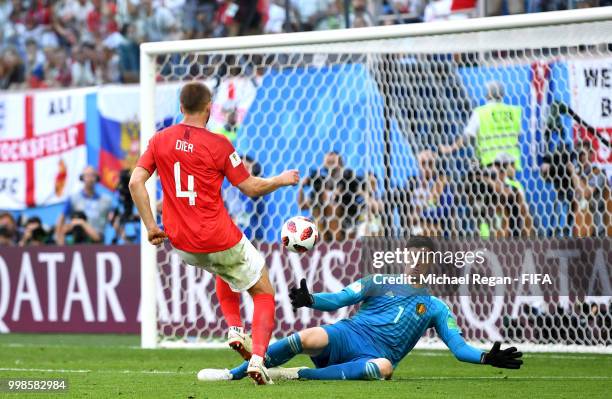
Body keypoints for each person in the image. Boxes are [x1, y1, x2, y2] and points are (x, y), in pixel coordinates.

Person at [129, 81, 299, 385]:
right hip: (217, 235)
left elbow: (135, 183)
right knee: (263, 292)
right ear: (210, 108)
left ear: (181, 108)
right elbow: (251, 188)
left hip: (182, 243)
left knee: (223, 267)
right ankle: (258, 360)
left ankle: (234, 328)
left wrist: (151, 226)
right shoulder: (219, 145)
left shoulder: (158, 140)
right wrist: (281, 179)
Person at [198, 236, 523, 383]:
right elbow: (339, 299)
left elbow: (459, 347)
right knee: (307, 337)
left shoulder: (437, 307)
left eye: (422, 257)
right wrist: (311, 300)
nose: (415, 262)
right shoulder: (379, 280)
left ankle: (295, 374)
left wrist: (484, 357)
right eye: (411, 256)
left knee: (385, 368)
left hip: (372, 356)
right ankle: (234, 373)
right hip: (347, 335)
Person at [440, 81, 523, 172]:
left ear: (488, 94)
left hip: (490, 163)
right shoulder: (514, 112)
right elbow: (518, 136)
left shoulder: (481, 112)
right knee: (510, 185)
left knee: (472, 172)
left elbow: (466, 138)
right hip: (511, 163)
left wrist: (450, 148)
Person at [55, 166, 112, 245]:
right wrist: (59, 241)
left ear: (97, 178)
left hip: (98, 242)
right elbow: (62, 218)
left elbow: (113, 220)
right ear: (82, 178)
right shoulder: (73, 198)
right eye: (87, 175)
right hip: (78, 243)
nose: (90, 179)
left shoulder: (105, 200)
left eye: (93, 175)